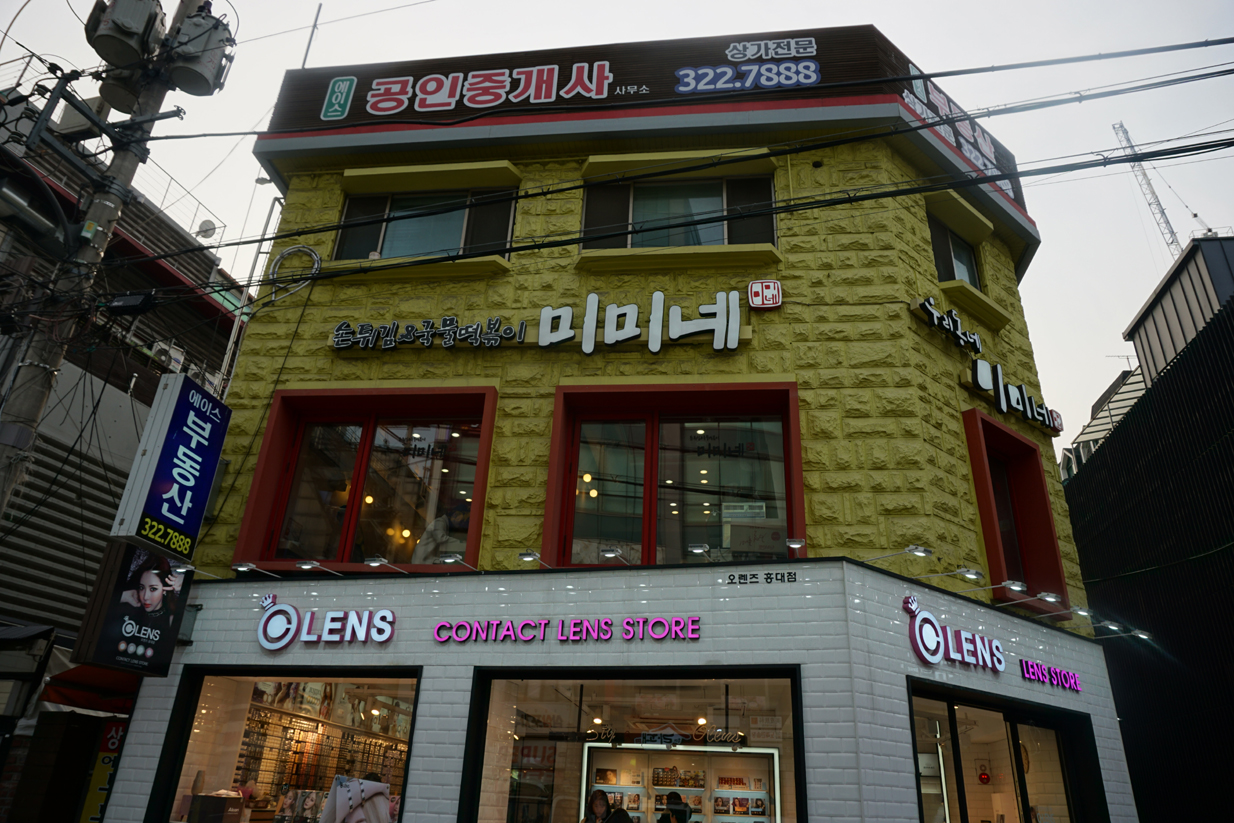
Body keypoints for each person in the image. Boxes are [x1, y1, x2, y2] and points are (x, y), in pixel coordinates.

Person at [101, 549, 183, 664]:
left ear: (164, 590)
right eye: (141, 588)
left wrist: (183, 586)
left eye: (153, 589)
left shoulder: (170, 619)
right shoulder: (128, 610)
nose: (145, 597)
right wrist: (123, 596)